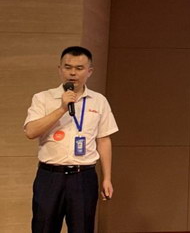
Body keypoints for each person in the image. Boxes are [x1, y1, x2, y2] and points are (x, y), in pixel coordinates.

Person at [24, 46, 119, 233]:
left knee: (82, 227)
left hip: (83, 176)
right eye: (68, 67)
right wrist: (61, 108)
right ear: (60, 69)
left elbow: (104, 140)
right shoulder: (43, 98)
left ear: (89, 71)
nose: (72, 73)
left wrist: (107, 178)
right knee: (43, 227)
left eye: (79, 68)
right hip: (50, 176)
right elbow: (30, 132)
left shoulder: (99, 101)